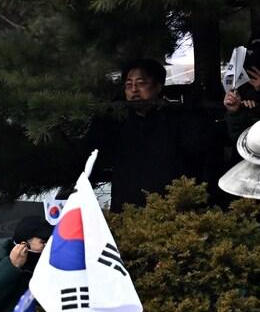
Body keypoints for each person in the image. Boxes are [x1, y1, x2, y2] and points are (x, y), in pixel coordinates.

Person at [87, 58, 215, 210]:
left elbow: (198, 147)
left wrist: (193, 113)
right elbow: (97, 153)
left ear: (158, 87)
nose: (134, 90)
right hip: (127, 208)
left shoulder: (177, 119)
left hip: (169, 209)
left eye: (141, 83)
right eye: (129, 85)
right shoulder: (117, 122)